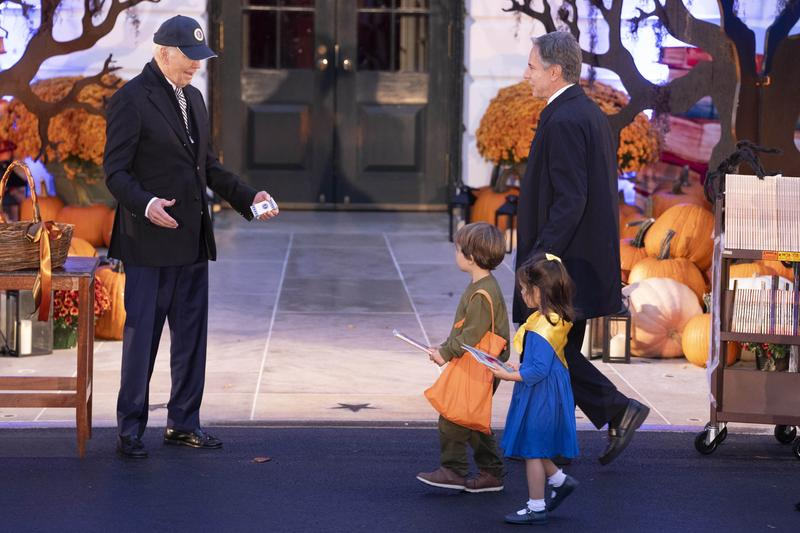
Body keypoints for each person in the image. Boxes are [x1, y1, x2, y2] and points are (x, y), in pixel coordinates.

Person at [104, 15, 278, 459]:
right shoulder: (131, 100)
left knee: (191, 339)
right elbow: (116, 173)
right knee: (143, 337)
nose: (197, 66)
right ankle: (130, 428)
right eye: (190, 58)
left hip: (191, 243)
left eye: (201, 58)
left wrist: (249, 196)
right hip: (147, 242)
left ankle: (183, 422)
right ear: (164, 52)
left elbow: (209, 167)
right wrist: (145, 204)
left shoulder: (194, 99)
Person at [513, 31, 649, 465]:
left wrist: (539, 257)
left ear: (555, 72)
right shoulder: (579, 112)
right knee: (556, 353)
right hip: (580, 263)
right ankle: (564, 442)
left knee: (550, 351)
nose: (526, 75)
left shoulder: (568, 119)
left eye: (532, 67)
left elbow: (571, 199)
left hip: (566, 267)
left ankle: (614, 413)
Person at [417, 222, 510, 493]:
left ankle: (454, 470)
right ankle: (491, 472)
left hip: (476, 364)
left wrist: (446, 353)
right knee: (470, 418)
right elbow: (466, 330)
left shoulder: (482, 292)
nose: (455, 254)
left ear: (471, 256)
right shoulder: (483, 285)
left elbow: (470, 335)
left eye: (458, 250)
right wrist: (446, 346)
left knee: (453, 415)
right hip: (478, 364)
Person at [491, 254, 579, 525]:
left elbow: (538, 370)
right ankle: (560, 481)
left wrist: (508, 375)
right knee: (536, 446)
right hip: (546, 391)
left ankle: (536, 506)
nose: (521, 292)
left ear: (538, 291)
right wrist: (520, 364)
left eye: (523, 288)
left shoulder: (542, 328)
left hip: (541, 394)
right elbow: (540, 362)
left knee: (531, 450)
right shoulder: (552, 319)